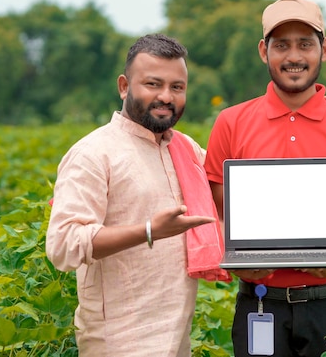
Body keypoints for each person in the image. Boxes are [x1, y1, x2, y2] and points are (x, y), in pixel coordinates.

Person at [204, 0, 326, 357]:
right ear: (264, 51)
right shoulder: (231, 123)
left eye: (305, 44)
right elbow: (217, 216)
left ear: (325, 49)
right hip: (260, 304)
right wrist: (242, 262)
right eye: (282, 45)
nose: (294, 56)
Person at [46, 33, 229, 357]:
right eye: (153, 84)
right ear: (124, 86)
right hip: (119, 343)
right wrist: (149, 231)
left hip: (178, 342)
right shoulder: (93, 153)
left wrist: (317, 110)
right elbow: (62, 244)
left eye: (177, 87)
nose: (166, 97)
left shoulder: (186, 150)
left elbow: (235, 187)